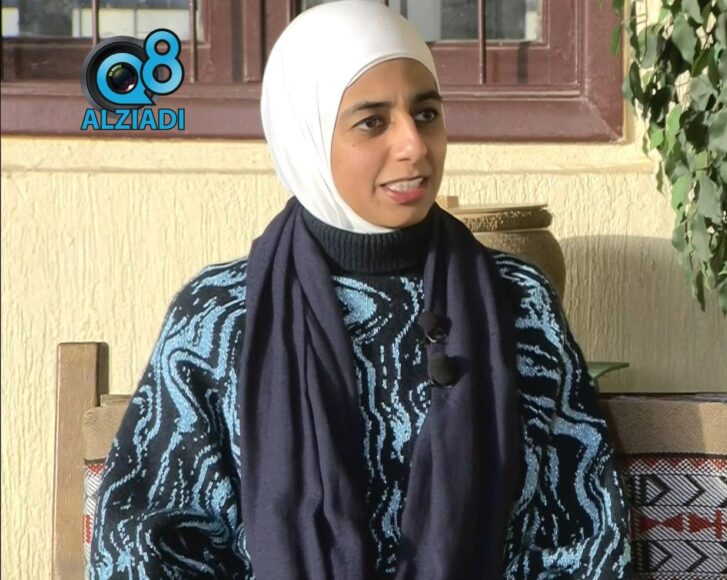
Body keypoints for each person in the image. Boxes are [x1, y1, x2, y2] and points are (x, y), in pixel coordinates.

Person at [87, 1, 631, 578]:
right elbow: (148, 544)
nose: (414, 145)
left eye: (426, 114)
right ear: (306, 135)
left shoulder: (517, 302)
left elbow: (582, 529)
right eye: (372, 122)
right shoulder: (219, 316)